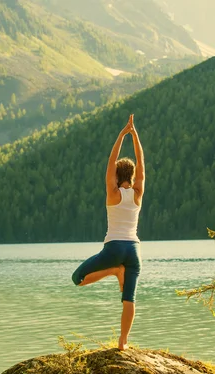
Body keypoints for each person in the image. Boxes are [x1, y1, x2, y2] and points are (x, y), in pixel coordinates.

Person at [71, 114, 145, 351]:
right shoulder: (137, 193)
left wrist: (122, 134)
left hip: (113, 248)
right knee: (129, 298)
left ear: (115, 175)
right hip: (133, 250)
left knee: (78, 279)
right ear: (132, 176)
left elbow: (111, 161)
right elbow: (141, 162)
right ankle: (123, 343)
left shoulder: (112, 193)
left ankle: (114, 271)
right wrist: (135, 136)